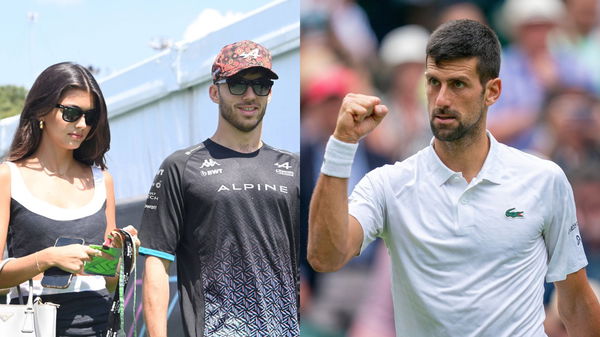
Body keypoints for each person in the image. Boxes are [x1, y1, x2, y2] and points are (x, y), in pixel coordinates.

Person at [307, 19, 600, 336]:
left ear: (492, 91)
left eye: (457, 84)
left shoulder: (544, 178)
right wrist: (341, 146)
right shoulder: (389, 184)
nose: (441, 99)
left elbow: (576, 305)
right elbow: (325, 256)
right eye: (433, 82)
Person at [139, 40, 299, 337]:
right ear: (215, 92)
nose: (250, 95)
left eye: (261, 85)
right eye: (238, 84)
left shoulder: (294, 167)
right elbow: (157, 264)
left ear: (270, 93)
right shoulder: (180, 166)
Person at [0, 62, 125, 337]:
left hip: (99, 324)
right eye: (71, 113)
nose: (82, 125)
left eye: (90, 117)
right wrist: (47, 258)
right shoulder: (8, 177)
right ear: (41, 111)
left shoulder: (103, 180)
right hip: (33, 325)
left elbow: (109, 279)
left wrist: (119, 257)